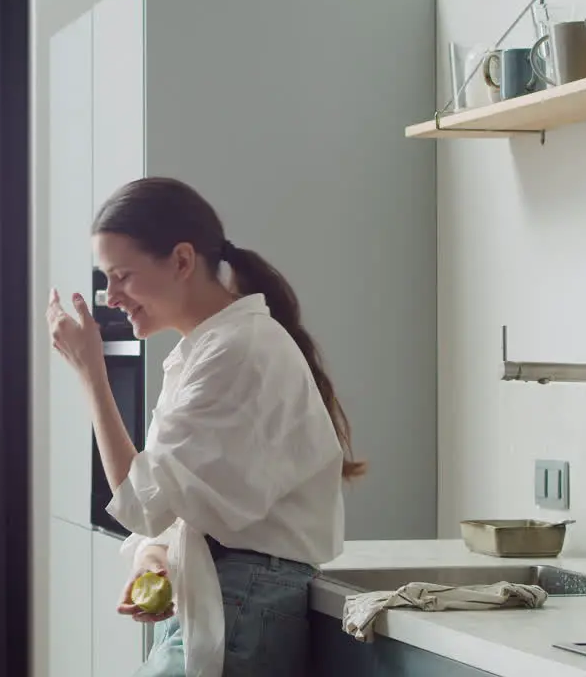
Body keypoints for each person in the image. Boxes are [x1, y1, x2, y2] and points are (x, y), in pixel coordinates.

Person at [47, 176, 363, 677]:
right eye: (106, 278)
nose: (110, 296)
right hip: (226, 595)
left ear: (181, 261)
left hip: (242, 598)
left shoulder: (236, 352)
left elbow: (142, 501)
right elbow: (172, 506)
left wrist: (92, 373)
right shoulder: (211, 350)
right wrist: (154, 558)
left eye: (122, 275)